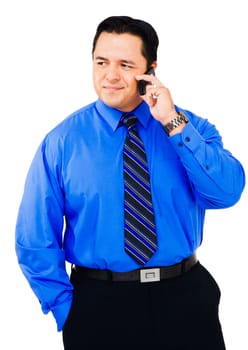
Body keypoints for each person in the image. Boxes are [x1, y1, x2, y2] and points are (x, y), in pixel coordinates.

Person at [15, 15, 245, 349]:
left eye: (125, 64)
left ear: (150, 69)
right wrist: (67, 309)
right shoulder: (62, 142)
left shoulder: (188, 127)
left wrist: (171, 121)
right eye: (101, 62)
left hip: (185, 299)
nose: (110, 75)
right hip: (98, 306)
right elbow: (34, 236)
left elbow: (226, 193)